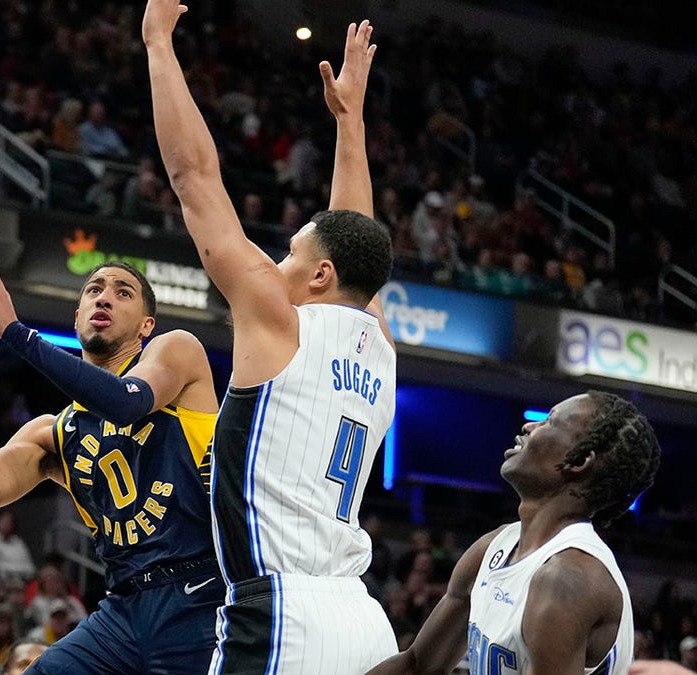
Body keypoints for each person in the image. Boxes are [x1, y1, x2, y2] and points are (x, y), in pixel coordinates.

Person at [144, 4, 397, 672]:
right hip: (365, 622)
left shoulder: (277, 323)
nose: (275, 265)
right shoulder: (380, 340)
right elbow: (355, 239)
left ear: (319, 274)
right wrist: (350, 123)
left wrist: (157, 42)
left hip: (283, 612)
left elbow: (194, 177)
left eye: (289, 254)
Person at [0, 250, 224, 674]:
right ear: (77, 316)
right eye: (94, 290)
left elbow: (124, 403)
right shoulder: (55, 433)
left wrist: (15, 332)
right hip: (122, 607)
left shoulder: (176, 351)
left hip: (200, 595)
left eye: (123, 292)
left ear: (147, 325)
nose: (104, 298)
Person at [368, 391, 660, 674]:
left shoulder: (568, 579)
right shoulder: (493, 547)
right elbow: (418, 666)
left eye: (549, 422)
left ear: (579, 461)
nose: (529, 426)